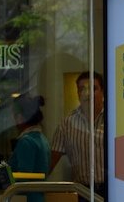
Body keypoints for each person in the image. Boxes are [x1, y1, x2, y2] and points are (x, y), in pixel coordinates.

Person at [50, 71, 105, 200]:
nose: (88, 94)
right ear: (78, 94)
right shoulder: (67, 124)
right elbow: (50, 162)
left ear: (102, 92)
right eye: (82, 89)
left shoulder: (115, 119)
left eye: (93, 88)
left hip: (112, 189)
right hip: (82, 192)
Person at [8, 95, 49, 202]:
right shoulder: (42, 139)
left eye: (14, 116)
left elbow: (23, 179)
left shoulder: (26, 142)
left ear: (20, 118)